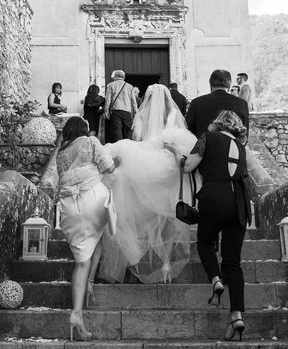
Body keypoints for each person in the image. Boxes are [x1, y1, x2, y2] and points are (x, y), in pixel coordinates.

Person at [164, 110, 251, 341]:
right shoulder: (240, 146)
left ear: (218, 122)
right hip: (240, 204)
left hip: (215, 196)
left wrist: (174, 150)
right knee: (233, 262)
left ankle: (215, 279)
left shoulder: (209, 138)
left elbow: (188, 166)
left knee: (204, 242)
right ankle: (237, 316)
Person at [99, 84, 198, 284]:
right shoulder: (172, 116)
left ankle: (134, 255)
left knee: (144, 210)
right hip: (167, 168)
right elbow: (181, 142)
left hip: (146, 167)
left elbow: (137, 138)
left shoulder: (142, 116)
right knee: (169, 215)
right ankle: (166, 263)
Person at [56, 116, 116, 341]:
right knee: (98, 235)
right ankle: (90, 284)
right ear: (84, 129)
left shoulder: (61, 153)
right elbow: (108, 167)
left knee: (82, 260)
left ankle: (77, 313)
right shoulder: (90, 141)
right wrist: (116, 161)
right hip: (92, 199)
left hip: (69, 207)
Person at [186, 69, 249, 139]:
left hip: (204, 148)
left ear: (210, 85)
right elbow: (244, 134)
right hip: (231, 148)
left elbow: (188, 131)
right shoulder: (241, 104)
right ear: (229, 86)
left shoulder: (196, 103)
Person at [104, 70, 138, 143]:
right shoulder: (129, 86)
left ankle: (119, 146)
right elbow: (133, 101)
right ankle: (127, 145)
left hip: (116, 111)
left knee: (117, 130)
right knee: (128, 130)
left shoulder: (110, 85)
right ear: (124, 77)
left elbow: (108, 100)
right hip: (127, 111)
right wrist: (135, 111)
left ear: (115, 77)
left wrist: (106, 110)